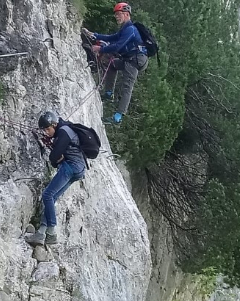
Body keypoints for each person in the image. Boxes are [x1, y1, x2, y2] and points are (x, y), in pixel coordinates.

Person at [25, 111, 86, 246]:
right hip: (78, 169)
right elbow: (56, 156)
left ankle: (51, 232)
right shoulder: (64, 131)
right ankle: (41, 233)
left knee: (47, 195)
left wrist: (55, 155)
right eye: (44, 130)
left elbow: (54, 157)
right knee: (51, 197)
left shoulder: (64, 132)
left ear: (54, 124)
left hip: (71, 167)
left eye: (48, 129)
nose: (46, 132)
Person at [83, 2, 148, 124]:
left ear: (127, 14)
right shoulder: (125, 29)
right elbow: (112, 37)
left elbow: (118, 46)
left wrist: (100, 49)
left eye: (119, 14)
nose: (116, 16)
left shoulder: (130, 29)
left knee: (127, 87)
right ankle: (108, 93)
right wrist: (95, 35)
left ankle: (118, 117)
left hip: (136, 60)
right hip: (130, 58)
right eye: (116, 14)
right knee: (111, 64)